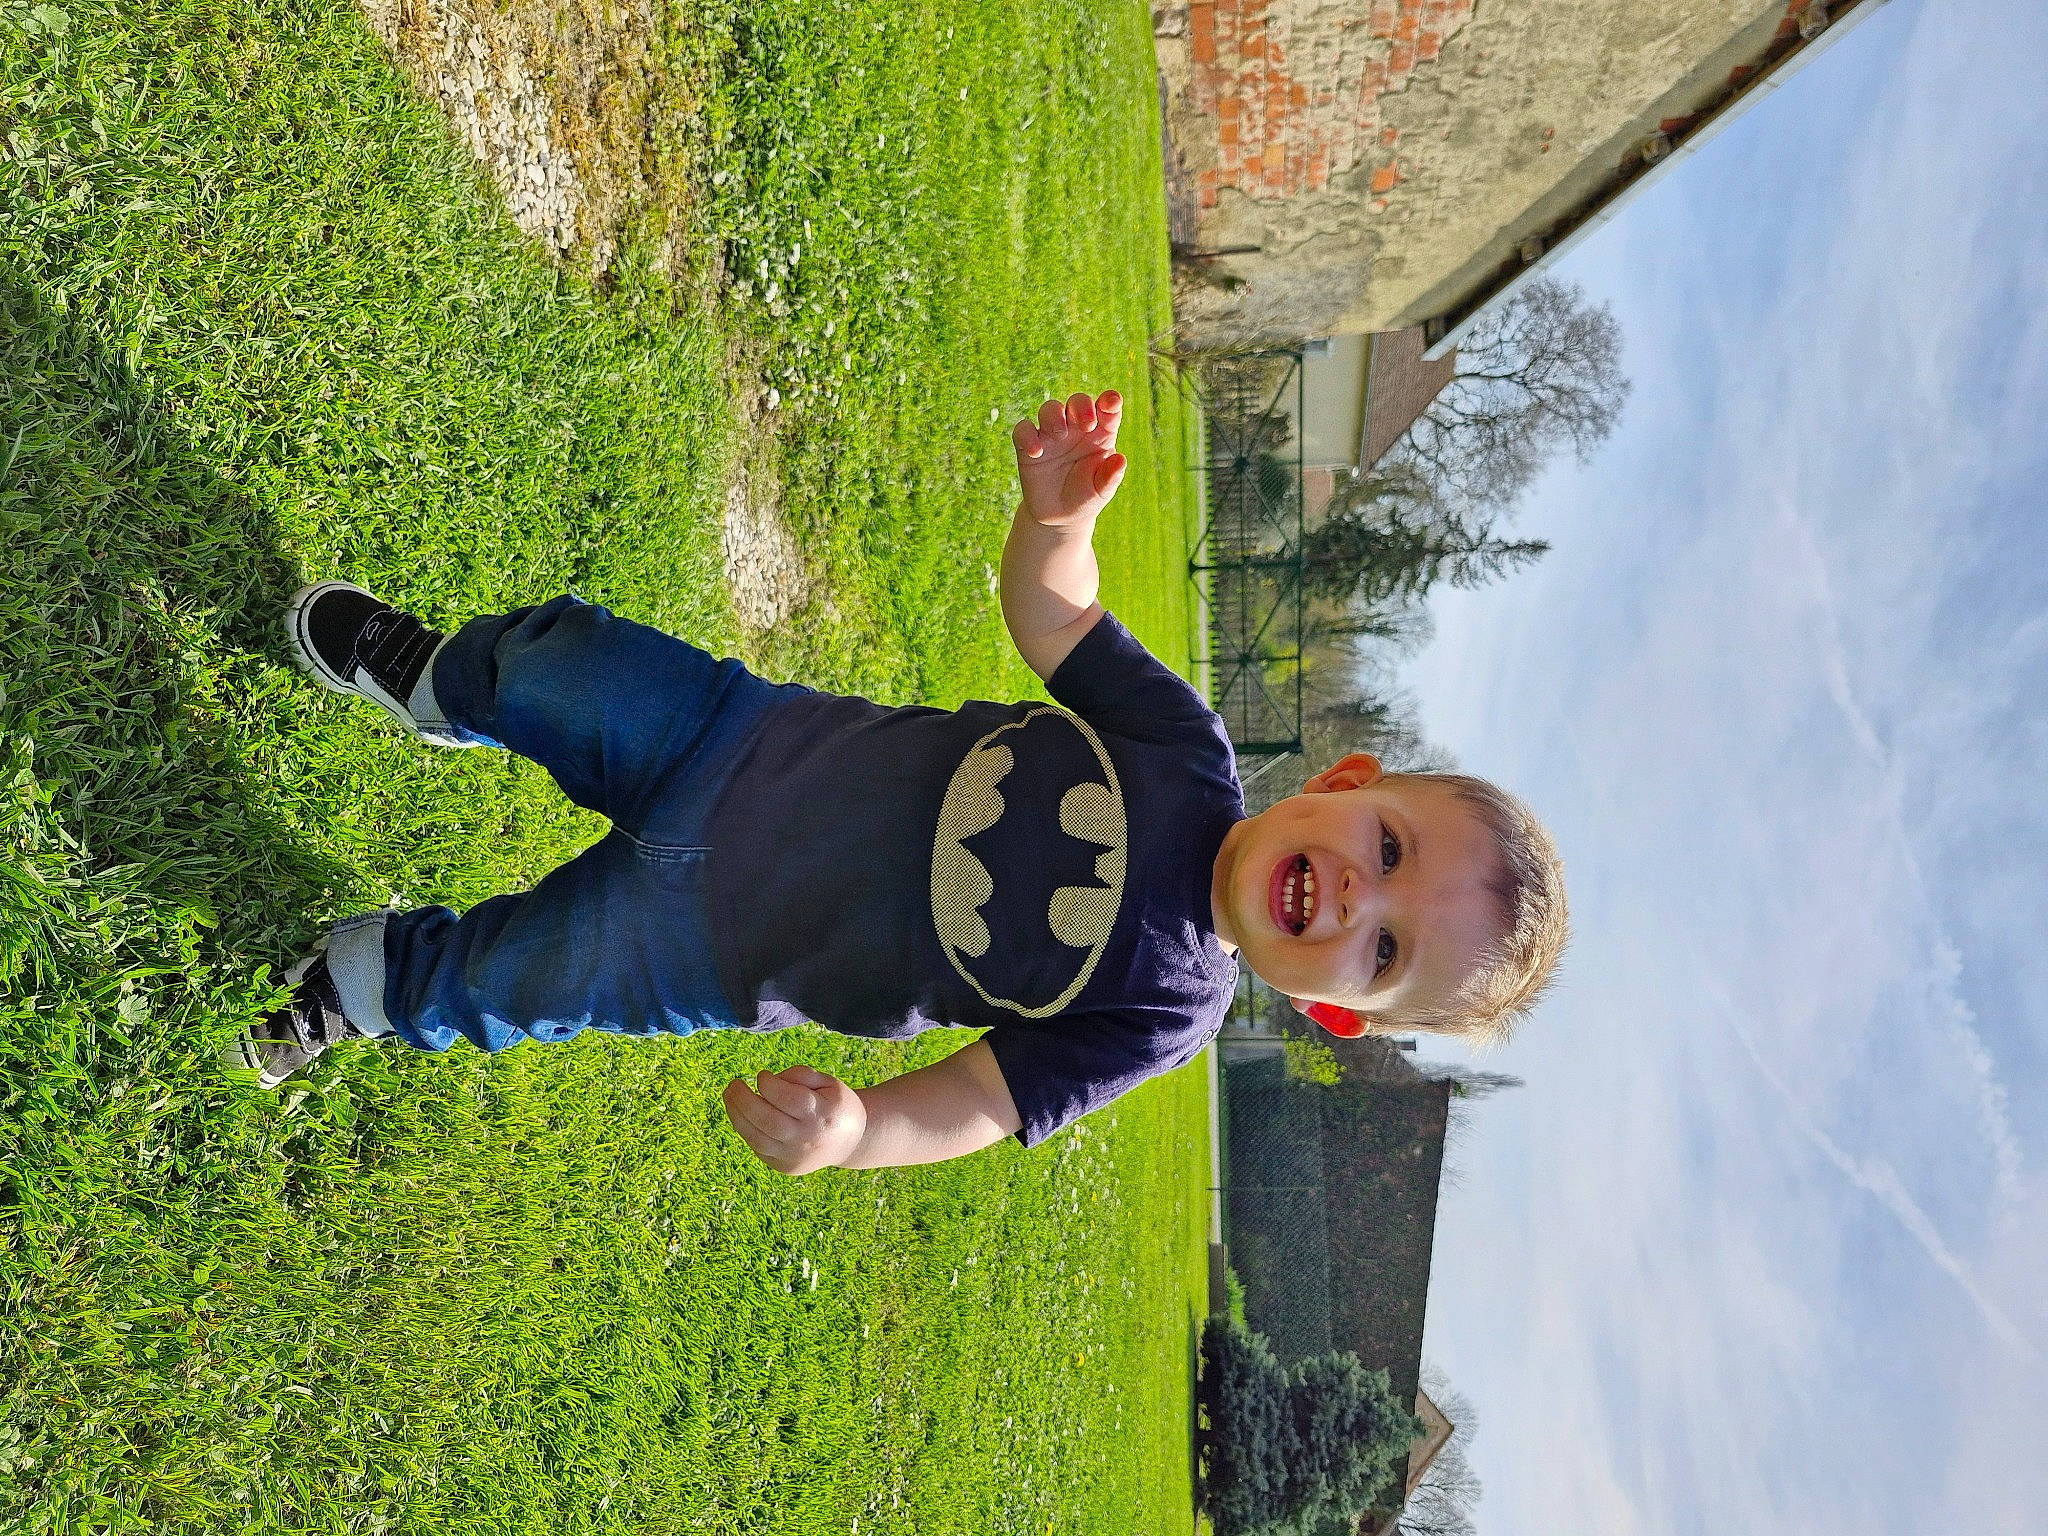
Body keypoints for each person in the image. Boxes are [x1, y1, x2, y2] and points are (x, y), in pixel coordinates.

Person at [232, 390, 1567, 1173]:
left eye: (1382, 952)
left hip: (712, 949)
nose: (1350, 899)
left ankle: (359, 988)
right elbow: (1056, 626)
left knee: (523, 978)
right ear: (1344, 780)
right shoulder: (1181, 753)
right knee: (554, 667)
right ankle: (435, 679)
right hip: (736, 741)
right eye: (1387, 849)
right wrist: (1057, 524)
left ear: (1336, 1013)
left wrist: (863, 1126)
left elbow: (987, 1103)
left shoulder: (1161, 1015)